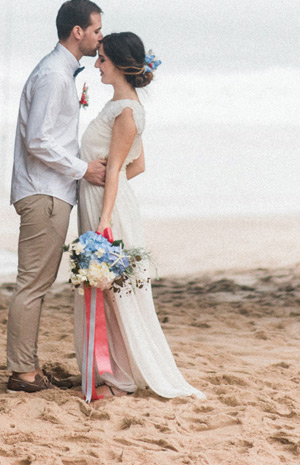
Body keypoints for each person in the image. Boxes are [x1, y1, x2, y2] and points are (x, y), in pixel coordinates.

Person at [74, 32, 204, 399]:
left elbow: (117, 168)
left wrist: (104, 217)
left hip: (107, 209)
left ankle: (121, 378)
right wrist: (101, 189)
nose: (97, 65)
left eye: (101, 59)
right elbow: (139, 165)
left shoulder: (127, 112)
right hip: (107, 200)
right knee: (108, 291)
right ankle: (110, 370)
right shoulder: (121, 106)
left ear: (117, 64)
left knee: (115, 292)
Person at [6, 0, 106, 393]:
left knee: (37, 283)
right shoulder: (53, 75)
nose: (101, 38)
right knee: (33, 284)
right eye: (97, 30)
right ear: (78, 31)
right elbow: (39, 140)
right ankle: (23, 373)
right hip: (44, 194)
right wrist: (84, 169)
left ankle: (27, 367)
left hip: (50, 191)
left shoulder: (62, 73)